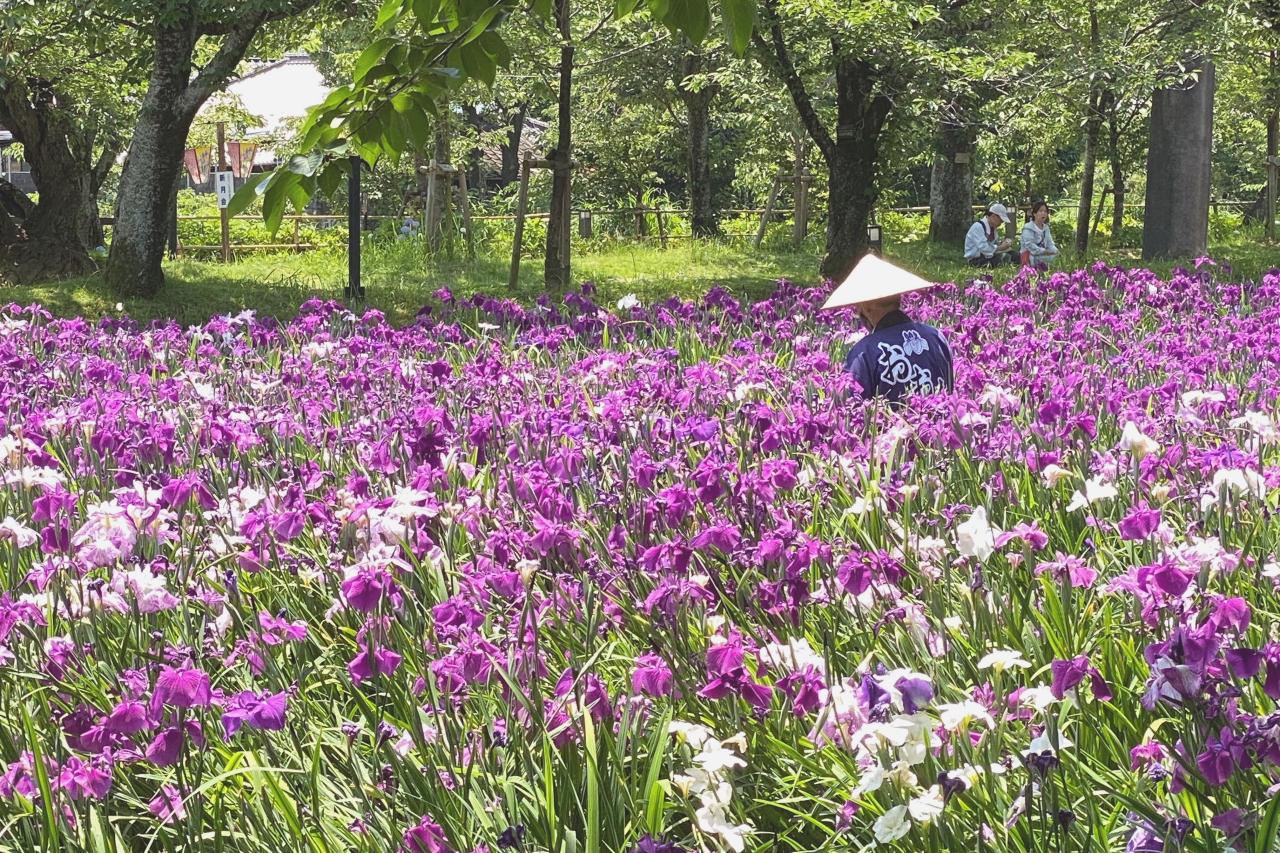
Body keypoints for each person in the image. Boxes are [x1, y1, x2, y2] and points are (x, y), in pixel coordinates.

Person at [823, 254, 954, 403]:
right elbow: (949, 395)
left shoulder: (865, 353)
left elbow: (848, 410)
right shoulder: (936, 337)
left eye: (858, 303)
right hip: (939, 425)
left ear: (867, 305)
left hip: (890, 426)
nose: (857, 309)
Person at [1019, 200, 1058, 270]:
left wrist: (1055, 251)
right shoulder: (1028, 228)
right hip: (1030, 255)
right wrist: (1044, 251)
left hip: (1043, 254)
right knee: (1045, 259)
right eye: (1040, 211)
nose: (1043, 213)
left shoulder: (1046, 228)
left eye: (1045, 211)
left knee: (1057, 257)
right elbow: (1029, 246)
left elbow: (1050, 243)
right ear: (1034, 213)